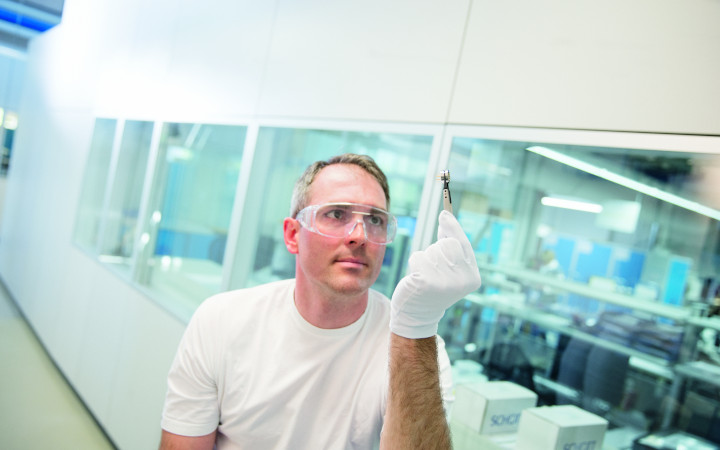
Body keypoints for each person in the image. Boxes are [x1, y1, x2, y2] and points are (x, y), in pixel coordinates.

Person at [160, 153, 481, 449]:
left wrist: (415, 327)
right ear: (292, 234)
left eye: (375, 220)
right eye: (337, 214)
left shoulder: (419, 350)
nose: (359, 235)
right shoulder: (221, 321)